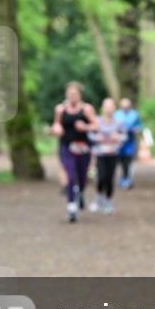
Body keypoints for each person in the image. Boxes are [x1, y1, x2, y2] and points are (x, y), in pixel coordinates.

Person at [51, 82, 98, 223]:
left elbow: (96, 126)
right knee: (70, 176)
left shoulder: (86, 109)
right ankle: (71, 207)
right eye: (69, 94)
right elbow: (56, 124)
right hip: (66, 146)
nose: (72, 96)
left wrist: (85, 127)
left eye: (75, 94)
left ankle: (80, 192)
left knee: (82, 178)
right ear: (66, 94)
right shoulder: (60, 109)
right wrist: (56, 128)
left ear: (79, 95)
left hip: (83, 147)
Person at [88, 97, 126, 215]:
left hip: (113, 154)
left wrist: (118, 138)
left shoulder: (119, 123)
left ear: (114, 108)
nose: (109, 109)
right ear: (102, 108)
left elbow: (124, 136)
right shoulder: (96, 121)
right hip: (100, 153)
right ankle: (98, 199)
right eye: (106, 107)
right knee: (101, 177)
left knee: (110, 178)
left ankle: (108, 202)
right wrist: (97, 138)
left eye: (111, 107)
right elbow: (89, 135)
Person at [114, 98, 142, 189]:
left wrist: (135, 130)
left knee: (128, 161)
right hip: (118, 143)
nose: (125, 108)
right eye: (123, 106)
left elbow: (139, 126)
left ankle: (128, 179)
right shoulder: (116, 114)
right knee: (119, 162)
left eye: (127, 106)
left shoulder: (135, 114)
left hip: (129, 142)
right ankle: (122, 178)